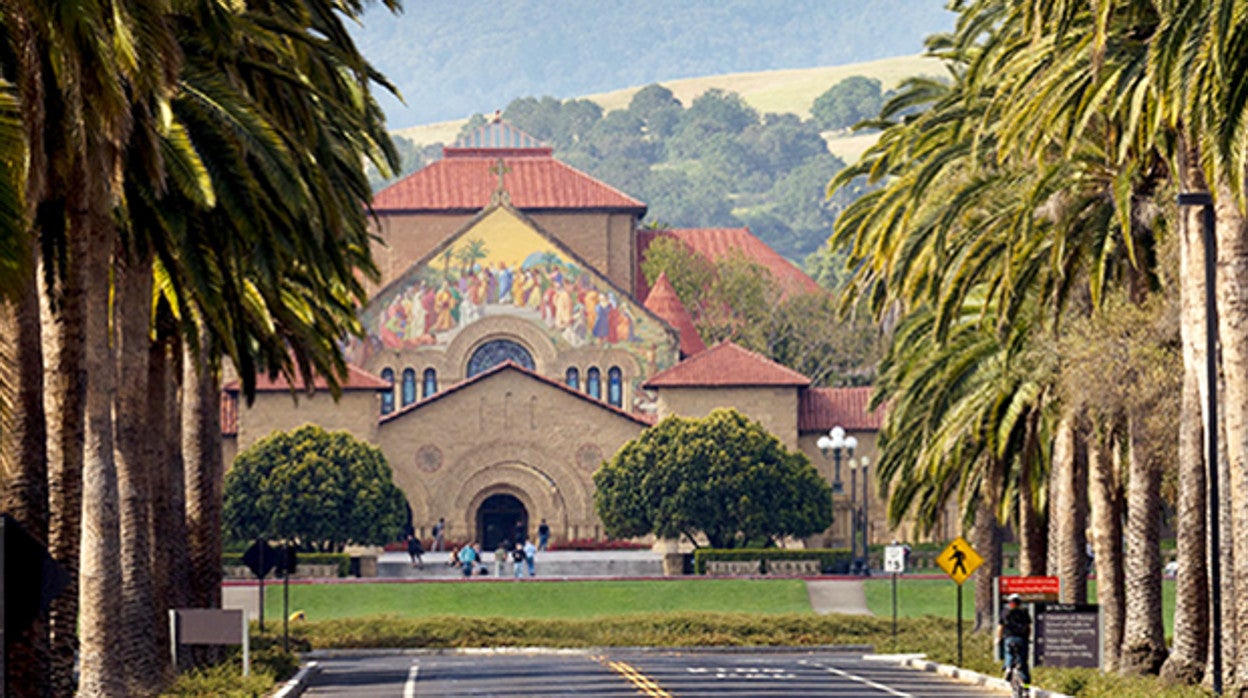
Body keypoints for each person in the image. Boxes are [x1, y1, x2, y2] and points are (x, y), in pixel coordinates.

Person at [996, 593, 1032, 686]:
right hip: (1022, 639)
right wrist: (1028, 638)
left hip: (1009, 638)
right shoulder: (1024, 611)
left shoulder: (1005, 612)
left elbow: (1000, 627)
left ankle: (1008, 667)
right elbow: (1029, 626)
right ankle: (1026, 687)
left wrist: (998, 638)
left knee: (1009, 653)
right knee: (1023, 662)